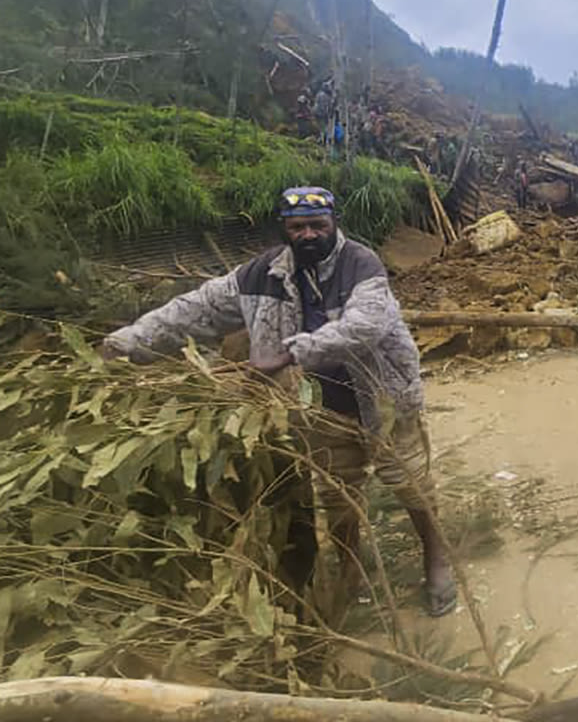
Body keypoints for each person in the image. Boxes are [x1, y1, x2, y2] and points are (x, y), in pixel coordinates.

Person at [100, 187, 457, 615]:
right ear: (284, 230)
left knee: (410, 482)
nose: (308, 235)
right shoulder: (258, 275)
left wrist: (290, 354)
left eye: (317, 225)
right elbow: (194, 309)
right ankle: (351, 569)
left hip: (382, 398)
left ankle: (436, 560)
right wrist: (128, 341)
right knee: (338, 492)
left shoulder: (361, 265)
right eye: (297, 227)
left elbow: (365, 326)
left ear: (334, 225)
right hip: (316, 406)